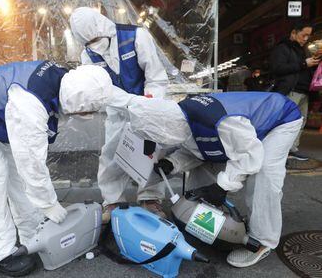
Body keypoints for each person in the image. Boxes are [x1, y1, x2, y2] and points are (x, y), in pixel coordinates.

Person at [0, 60, 113, 276]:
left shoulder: (67, 80)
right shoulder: (30, 104)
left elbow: (27, 167)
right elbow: (31, 163)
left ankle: (33, 235)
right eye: (82, 112)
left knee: (17, 177)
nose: (81, 117)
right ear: (75, 101)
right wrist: (48, 203)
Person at [125, 92, 302, 268]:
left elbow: (250, 155)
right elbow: (197, 149)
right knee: (204, 164)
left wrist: (223, 185)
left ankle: (261, 240)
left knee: (264, 173)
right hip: (244, 130)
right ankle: (205, 218)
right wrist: (172, 162)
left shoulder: (220, 122)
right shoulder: (179, 118)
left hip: (279, 119)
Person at [69, 7, 169, 222]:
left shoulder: (136, 36)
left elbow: (155, 75)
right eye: (89, 42)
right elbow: (101, 88)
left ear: (102, 27)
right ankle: (113, 200)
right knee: (111, 154)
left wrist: (150, 104)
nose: (94, 44)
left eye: (96, 38)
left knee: (150, 151)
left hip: (149, 103)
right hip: (118, 109)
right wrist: (130, 103)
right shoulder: (88, 54)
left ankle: (150, 197)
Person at [270, 21, 320, 161]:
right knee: (286, 123)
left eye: (308, 36)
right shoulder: (282, 48)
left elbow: (303, 69)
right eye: (303, 35)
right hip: (290, 91)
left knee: (300, 122)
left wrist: (313, 63)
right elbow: (278, 69)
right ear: (293, 33)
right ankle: (280, 152)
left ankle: (292, 149)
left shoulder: (303, 49)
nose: (305, 39)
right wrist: (304, 63)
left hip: (304, 91)